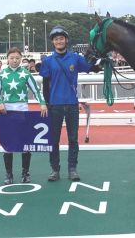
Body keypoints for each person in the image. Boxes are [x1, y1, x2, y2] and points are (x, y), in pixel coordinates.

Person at [39, 25, 93, 182]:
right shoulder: (48, 61)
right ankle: (55, 170)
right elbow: (45, 83)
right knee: (53, 139)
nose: (59, 41)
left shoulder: (75, 58)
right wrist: (47, 104)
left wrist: (102, 61)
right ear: (53, 42)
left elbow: (91, 67)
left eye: (61, 38)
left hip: (71, 104)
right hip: (54, 105)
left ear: (66, 40)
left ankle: (72, 169)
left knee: (73, 138)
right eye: (56, 39)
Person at [0, 47, 47, 185]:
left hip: (22, 109)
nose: (14, 60)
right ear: (7, 59)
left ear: (21, 58)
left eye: (17, 58)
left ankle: (25, 173)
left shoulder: (26, 74)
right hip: (7, 111)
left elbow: (36, 90)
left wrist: (42, 103)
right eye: (12, 58)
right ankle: (9, 174)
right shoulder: (1, 74)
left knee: (25, 143)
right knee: (7, 143)